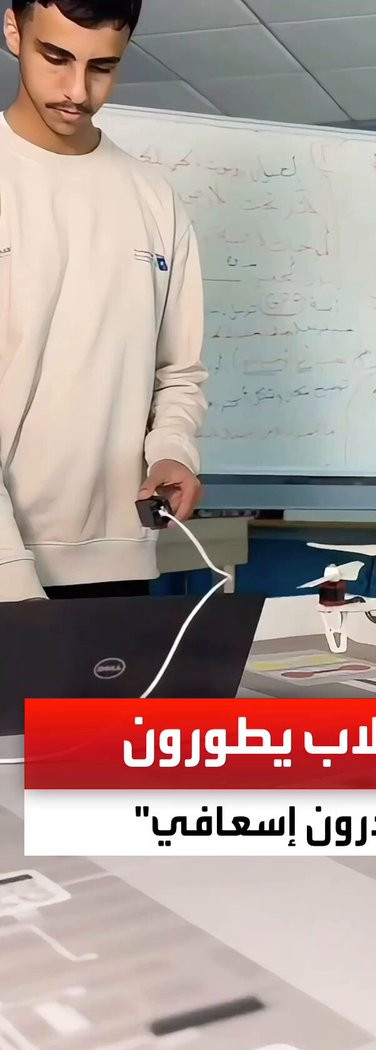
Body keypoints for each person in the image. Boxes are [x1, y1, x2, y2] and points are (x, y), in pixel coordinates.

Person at [0, 0, 207, 601]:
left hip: (117, 560)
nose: (77, 90)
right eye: (56, 57)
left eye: (102, 67)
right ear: (13, 31)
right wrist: (10, 573)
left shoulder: (154, 198)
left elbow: (179, 371)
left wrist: (172, 451)